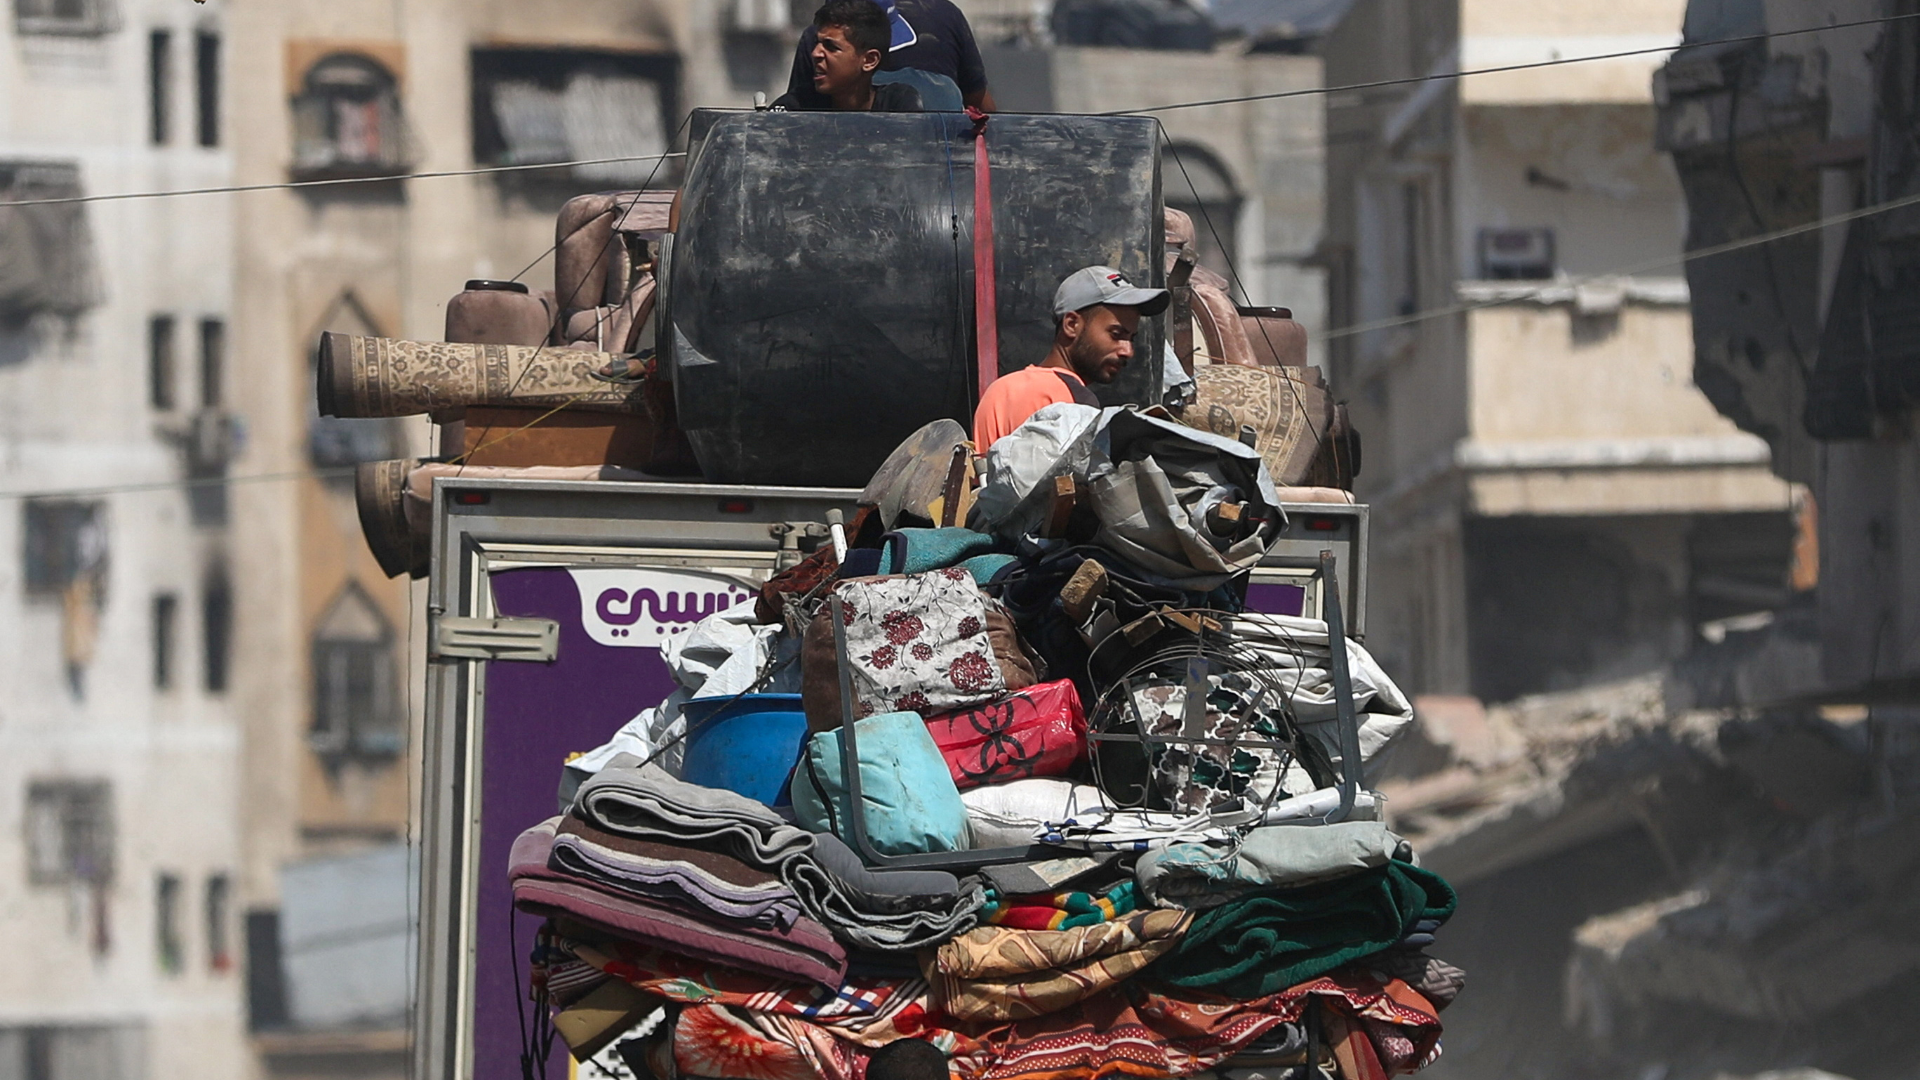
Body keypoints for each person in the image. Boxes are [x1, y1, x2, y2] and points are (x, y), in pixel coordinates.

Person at [972, 266, 1170, 451]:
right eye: (1116, 334)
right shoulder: (1074, 401)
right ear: (1071, 324)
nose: (1128, 351)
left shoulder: (1000, 390)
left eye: (1131, 338)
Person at [780, 0, 995, 113]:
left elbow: (982, 111)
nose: (818, 54)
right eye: (821, 44)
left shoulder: (908, 103)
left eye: (832, 47)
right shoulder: (800, 101)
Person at [772, 0, 925, 112]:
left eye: (831, 47)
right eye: (816, 43)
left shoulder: (898, 105)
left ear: (870, 60)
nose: (815, 53)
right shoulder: (798, 106)